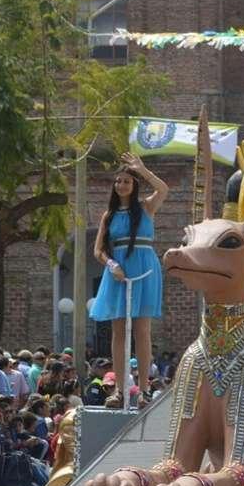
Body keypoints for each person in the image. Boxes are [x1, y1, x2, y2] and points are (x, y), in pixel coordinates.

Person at [89, 153, 167, 405]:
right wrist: (112, 265)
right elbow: (98, 250)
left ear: (134, 185)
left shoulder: (146, 207)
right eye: (118, 181)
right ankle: (120, 390)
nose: (121, 185)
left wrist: (142, 170)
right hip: (118, 272)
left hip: (144, 269)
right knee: (119, 330)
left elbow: (163, 189)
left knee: (142, 330)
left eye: (127, 181)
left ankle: (144, 389)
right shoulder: (109, 215)